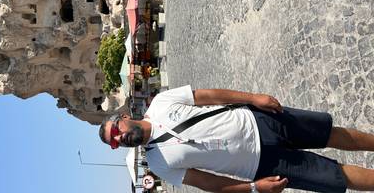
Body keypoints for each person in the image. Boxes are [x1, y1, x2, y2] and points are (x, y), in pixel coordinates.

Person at [98, 85, 374, 192]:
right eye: (115, 142)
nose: (120, 138)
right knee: (335, 176)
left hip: (260, 121)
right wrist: (254, 189)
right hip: (261, 164)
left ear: (123, 118)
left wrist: (254, 98)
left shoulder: (161, 102)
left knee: (329, 134)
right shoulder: (158, 164)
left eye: (116, 131)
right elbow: (208, 183)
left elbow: (210, 96)